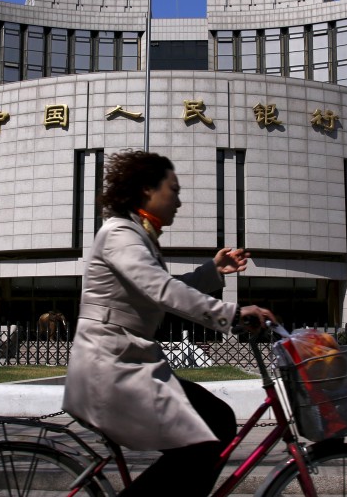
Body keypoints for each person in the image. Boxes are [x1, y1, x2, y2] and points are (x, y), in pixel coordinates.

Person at [63, 150, 275, 496]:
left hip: (126, 364)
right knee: (206, 437)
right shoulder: (120, 233)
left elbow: (158, 290)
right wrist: (234, 313)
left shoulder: (140, 236)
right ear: (148, 189)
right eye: (173, 190)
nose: (178, 200)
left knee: (217, 421)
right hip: (110, 371)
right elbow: (162, 290)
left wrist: (212, 271)